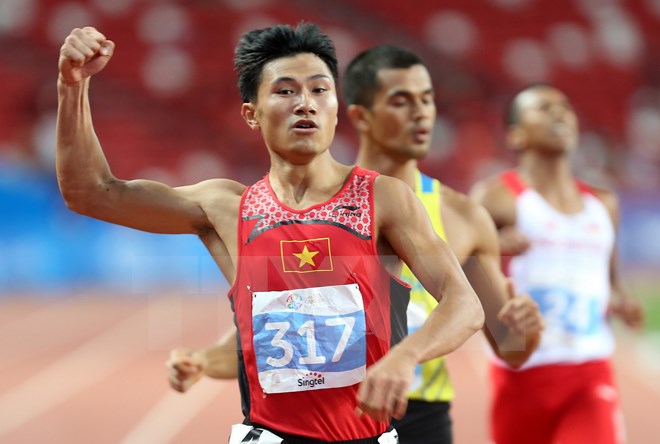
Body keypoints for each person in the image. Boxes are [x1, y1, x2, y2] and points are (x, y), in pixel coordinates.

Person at [57, 24, 485, 443]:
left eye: (319, 90)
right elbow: (90, 194)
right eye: (285, 91)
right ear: (252, 114)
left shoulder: (383, 199)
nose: (305, 104)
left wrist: (405, 356)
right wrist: (72, 86)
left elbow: (464, 304)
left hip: (365, 436)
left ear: (336, 107)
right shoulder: (226, 207)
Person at [167, 45, 544, 444]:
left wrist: (527, 331)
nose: (421, 113)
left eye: (427, 99)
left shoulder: (464, 217)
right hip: (329, 416)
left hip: (419, 415)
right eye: (401, 101)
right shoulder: (304, 209)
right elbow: (283, 333)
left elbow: (509, 345)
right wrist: (206, 360)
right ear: (360, 116)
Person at [469, 83, 644, 444]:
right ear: (516, 135)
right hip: (520, 375)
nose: (560, 113)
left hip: (589, 371)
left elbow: (611, 282)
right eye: (544, 108)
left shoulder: (604, 204)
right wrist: (493, 246)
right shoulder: (496, 197)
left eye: (565, 107)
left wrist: (622, 301)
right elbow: (458, 265)